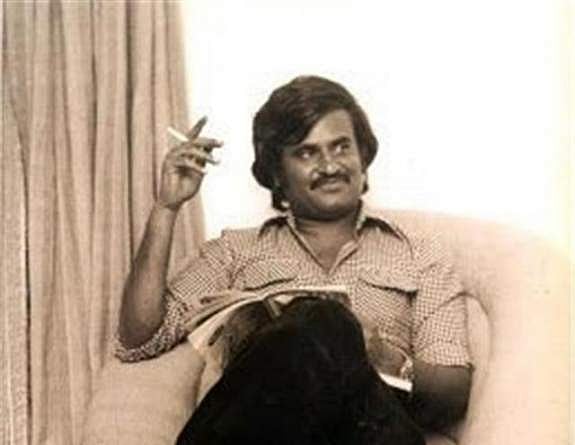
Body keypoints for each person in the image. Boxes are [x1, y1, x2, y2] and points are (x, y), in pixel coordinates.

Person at [116, 76, 472, 444]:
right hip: (269, 432)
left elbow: (454, 393)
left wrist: (382, 356)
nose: (330, 166)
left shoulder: (420, 255)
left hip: (371, 432)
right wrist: (167, 207)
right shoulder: (234, 251)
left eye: (341, 147)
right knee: (314, 321)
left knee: (325, 319)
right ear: (276, 173)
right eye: (307, 153)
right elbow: (140, 339)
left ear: (363, 157)